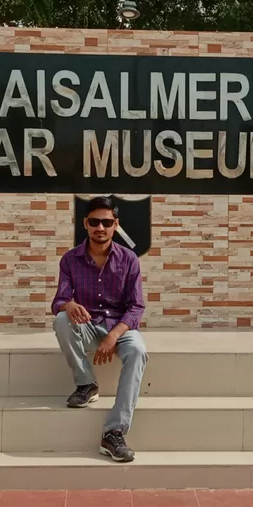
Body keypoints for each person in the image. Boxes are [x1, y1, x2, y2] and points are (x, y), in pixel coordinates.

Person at [50, 196, 148, 463]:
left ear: (115, 225)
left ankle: (114, 432)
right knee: (60, 320)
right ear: (85, 223)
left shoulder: (129, 260)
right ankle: (86, 384)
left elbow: (136, 307)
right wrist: (68, 305)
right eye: (95, 222)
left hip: (119, 326)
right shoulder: (70, 260)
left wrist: (115, 336)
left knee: (138, 351)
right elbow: (58, 301)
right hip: (88, 326)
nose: (100, 228)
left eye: (106, 222)